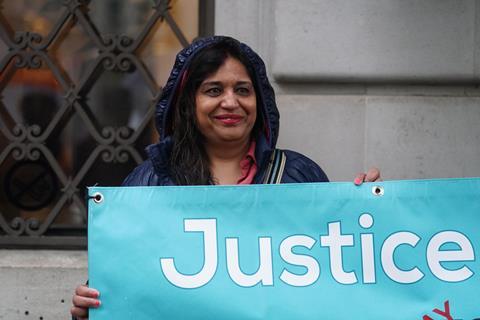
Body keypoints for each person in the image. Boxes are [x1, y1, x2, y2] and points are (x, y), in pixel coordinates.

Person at [70, 36, 380, 319]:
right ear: (189, 102)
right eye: (213, 90)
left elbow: (339, 281)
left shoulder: (297, 175)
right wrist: (88, 311)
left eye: (243, 90)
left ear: (260, 101)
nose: (230, 102)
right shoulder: (151, 182)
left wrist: (366, 218)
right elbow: (120, 287)